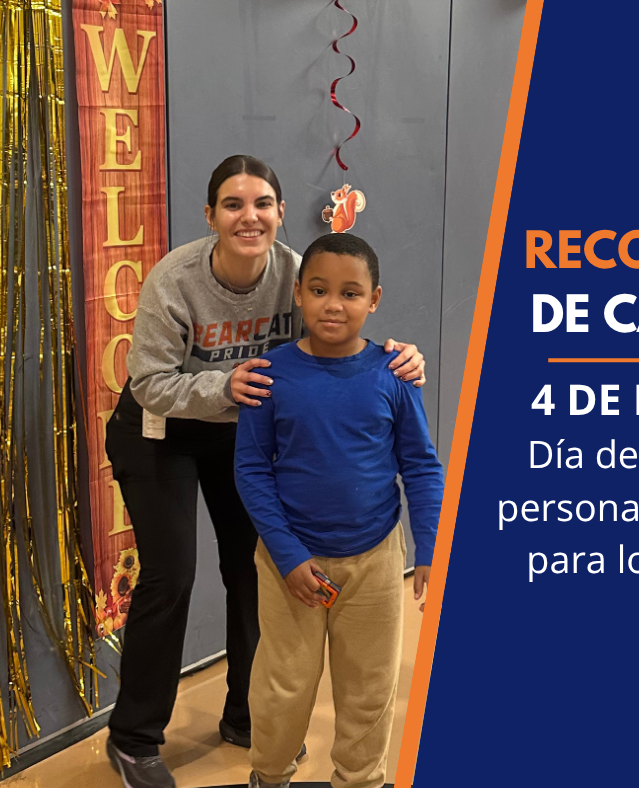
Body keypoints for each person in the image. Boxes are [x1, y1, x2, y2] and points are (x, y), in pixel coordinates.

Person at [104, 156, 426, 788]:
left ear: (280, 214)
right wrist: (226, 383)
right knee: (171, 576)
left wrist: (401, 353)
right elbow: (148, 382)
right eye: (232, 204)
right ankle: (134, 738)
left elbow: (342, 314)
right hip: (161, 428)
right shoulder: (177, 278)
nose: (248, 217)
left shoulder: (294, 272)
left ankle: (247, 720)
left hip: (240, 426)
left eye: (261, 205)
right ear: (211, 215)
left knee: (254, 569)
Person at [234, 233, 442, 788]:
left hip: (374, 560)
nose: (333, 304)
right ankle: (271, 773)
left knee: (370, 687)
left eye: (351, 293)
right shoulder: (268, 374)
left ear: (374, 300)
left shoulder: (393, 376)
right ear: (298, 293)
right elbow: (252, 470)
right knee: (284, 684)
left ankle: (360, 778)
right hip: (290, 565)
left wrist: (430, 547)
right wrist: (289, 556)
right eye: (320, 289)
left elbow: (420, 465)